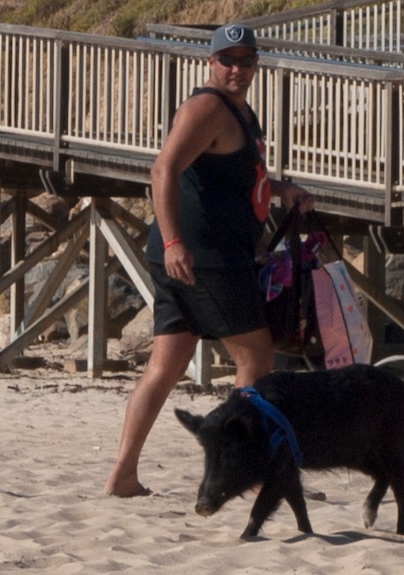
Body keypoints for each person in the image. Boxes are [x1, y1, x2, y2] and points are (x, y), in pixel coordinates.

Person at [104, 23, 314, 497]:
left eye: (246, 60)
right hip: (205, 260)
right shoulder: (207, 107)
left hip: (193, 257)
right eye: (228, 60)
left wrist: (281, 191)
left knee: (165, 364)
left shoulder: (239, 112)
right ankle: (249, 473)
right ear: (211, 63)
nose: (237, 69)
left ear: (256, 64)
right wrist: (176, 242)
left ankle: (123, 474)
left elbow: (234, 177)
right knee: (257, 357)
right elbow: (162, 168)